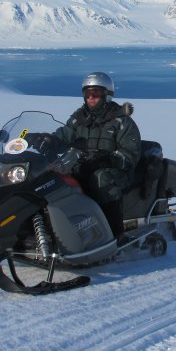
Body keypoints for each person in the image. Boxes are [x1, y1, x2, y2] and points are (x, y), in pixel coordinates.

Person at [54, 72, 141, 242]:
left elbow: (130, 154)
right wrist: (44, 139)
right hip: (85, 166)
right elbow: (63, 135)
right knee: (55, 178)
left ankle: (115, 234)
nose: (91, 98)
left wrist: (108, 159)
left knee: (101, 179)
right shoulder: (78, 119)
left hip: (116, 171)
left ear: (107, 95)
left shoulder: (121, 121)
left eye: (96, 94)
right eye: (87, 94)